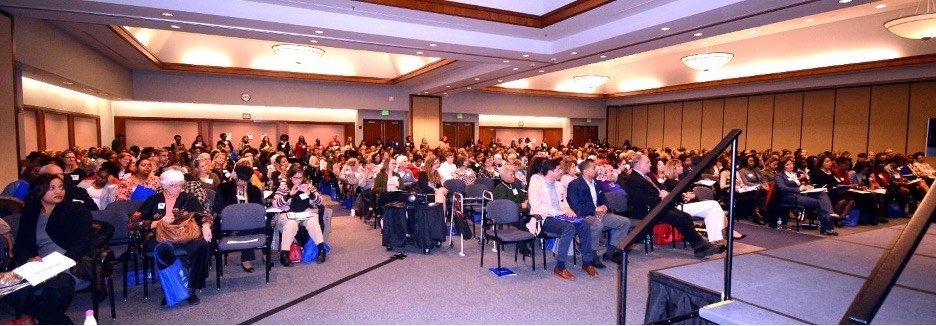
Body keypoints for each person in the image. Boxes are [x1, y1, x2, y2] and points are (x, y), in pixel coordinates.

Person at [3, 174, 95, 324]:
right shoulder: (30, 214)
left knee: (55, 288)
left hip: (70, 264)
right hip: (39, 266)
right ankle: (58, 321)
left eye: (61, 187)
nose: (58, 191)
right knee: (10, 292)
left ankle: (48, 320)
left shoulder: (75, 209)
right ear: (39, 191)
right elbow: (21, 244)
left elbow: (82, 242)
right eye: (52, 188)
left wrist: (57, 266)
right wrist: (29, 259)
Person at [131, 169, 212, 305]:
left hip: (185, 234)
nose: (178, 188)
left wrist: (206, 226)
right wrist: (157, 222)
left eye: (180, 184)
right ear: (164, 185)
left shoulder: (188, 198)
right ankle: (171, 287)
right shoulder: (154, 199)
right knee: (163, 251)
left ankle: (191, 287)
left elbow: (202, 214)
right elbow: (133, 222)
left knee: (202, 246)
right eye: (173, 185)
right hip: (160, 237)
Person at [623, 154, 726, 258]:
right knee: (678, 218)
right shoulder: (633, 179)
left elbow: (660, 185)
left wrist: (663, 191)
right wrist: (660, 198)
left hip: (659, 206)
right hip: (646, 210)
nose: (650, 164)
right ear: (638, 164)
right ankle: (700, 245)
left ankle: (699, 246)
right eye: (647, 162)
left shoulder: (648, 175)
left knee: (685, 216)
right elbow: (638, 199)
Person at [528, 158, 596, 280]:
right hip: (544, 219)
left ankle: (587, 262)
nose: (561, 171)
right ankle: (560, 266)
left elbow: (564, 203)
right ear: (550, 171)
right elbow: (537, 208)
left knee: (584, 225)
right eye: (558, 169)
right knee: (569, 228)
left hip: (561, 217)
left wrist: (568, 210)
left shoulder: (558, 185)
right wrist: (557, 212)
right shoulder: (536, 185)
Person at [567, 159, 632, 267]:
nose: (596, 169)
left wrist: (604, 207)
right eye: (593, 168)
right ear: (585, 171)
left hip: (600, 213)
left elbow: (603, 198)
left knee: (625, 222)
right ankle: (592, 254)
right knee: (597, 224)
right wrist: (595, 210)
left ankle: (611, 252)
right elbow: (575, 205)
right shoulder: (574, 184)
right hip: (584, 215)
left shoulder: (597, 183)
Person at [661, 160, 743, 243]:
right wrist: (687, 196)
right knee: (714, 204)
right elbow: (675, 197)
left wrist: (692, 196)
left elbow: (692, 195)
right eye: (679, 166)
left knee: (712, 212)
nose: (682, 167)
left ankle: (715, 239)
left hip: (689, 205)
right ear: (673, 169)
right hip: (679, 207)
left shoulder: (680, 180)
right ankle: (728, 230)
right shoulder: (669, 182)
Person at [272, 166, 332, 266]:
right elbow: (276, 204)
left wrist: (310, 194)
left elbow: (320, 201)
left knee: (313, 222)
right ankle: (284, 254)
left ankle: (321, 250)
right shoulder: (284, 187)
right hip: (289, 213)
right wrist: (289, 195)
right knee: (291, 225)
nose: (298, 180)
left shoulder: (308, 186)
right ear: (290, 177)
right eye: (296, 178)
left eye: (300, 178)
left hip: (306, 212)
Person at [214, 165, 264, 273]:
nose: (242, 183)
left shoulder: (254, 190)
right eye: (240, 180)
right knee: (244, 225)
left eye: (245, 181)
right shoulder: (223, 188)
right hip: (231, 220)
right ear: (235, 176)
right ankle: (246, 259)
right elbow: (218, 207)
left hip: (251, 219)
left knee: (264, 223)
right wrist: (235, 212)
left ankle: (265, 253)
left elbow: (259, 207)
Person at [776, 157, 840, 235]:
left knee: (822, 193)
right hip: (789, 197)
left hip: (800, 194)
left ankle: (830, 214)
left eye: (791, 163)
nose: (791, 166)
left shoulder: (794, 174)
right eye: (787, 164)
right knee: (820, 202)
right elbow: (782, 188)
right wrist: (798, 189)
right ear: (783, 166)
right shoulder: (780, 176)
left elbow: (799, 185)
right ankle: (827, 227)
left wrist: (807, 186)